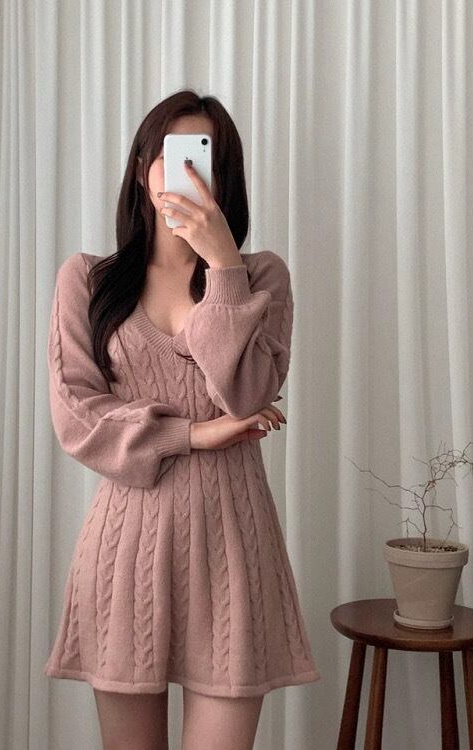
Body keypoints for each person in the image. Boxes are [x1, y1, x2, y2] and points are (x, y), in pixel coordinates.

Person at [44, 89, 320, 750]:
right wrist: (193, 434)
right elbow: (77, 416)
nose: (189, 171)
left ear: (227, 178)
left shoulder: (261, 277)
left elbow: (247, 392)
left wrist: (223, 267)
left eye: (207, 158)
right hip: (126, 547)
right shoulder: (88, 280)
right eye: (174, 154)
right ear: (143, 167)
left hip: (233, 547)